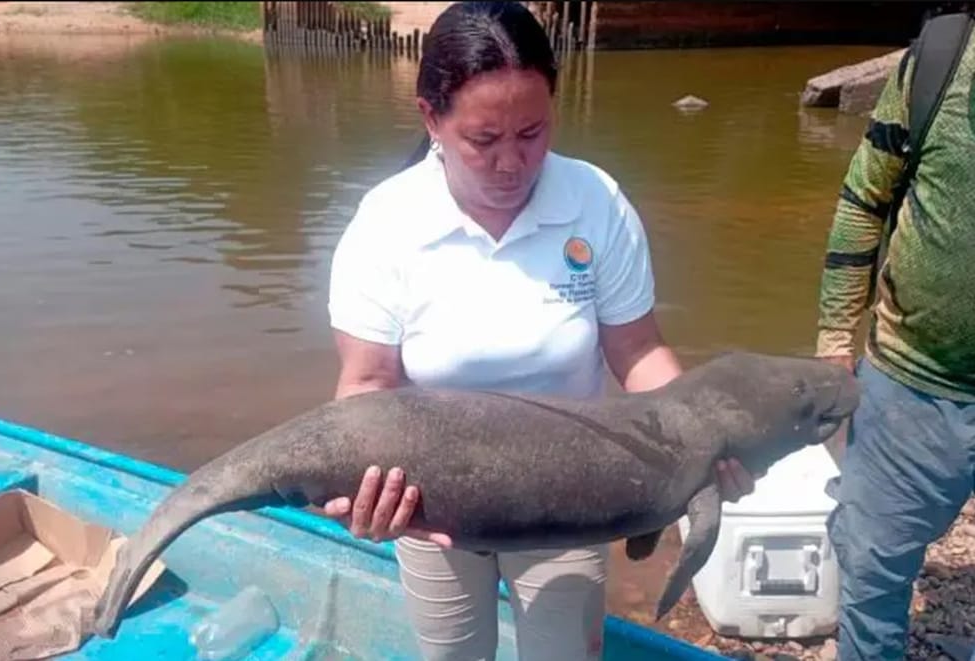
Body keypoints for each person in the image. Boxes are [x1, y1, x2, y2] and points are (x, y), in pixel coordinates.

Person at [323, 3, 757, 659]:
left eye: (532, 133)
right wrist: (367, 488)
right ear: (431, 119)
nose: (511, 163)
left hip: (573, 495)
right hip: (433, 500)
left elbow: (637, 351)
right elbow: (367, 384)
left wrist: (703, 426)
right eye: (483, 140)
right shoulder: (386, 223)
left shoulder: (596, 202)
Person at [815, 13, 974, 661]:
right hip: (910, 381)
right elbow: (863, 200)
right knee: (873, 577)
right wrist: (833, 339)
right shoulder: (940, 58)